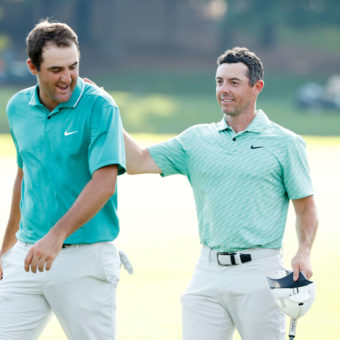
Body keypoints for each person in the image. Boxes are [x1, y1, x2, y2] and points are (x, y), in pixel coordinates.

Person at [123, 47, 318, 340]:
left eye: (234, 83)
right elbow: (136, 162)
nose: (224, 90)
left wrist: (304, 251)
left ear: (257, 87)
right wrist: (107, 110)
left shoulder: (286, 143)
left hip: (260, 272)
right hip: (207, 271)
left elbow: (306, 208)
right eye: (219, 82)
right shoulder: (195, 140)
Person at [0, 20, 129, 340]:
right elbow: (24, 174)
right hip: (26, 257)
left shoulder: (100, 106)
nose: (67, 77)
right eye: (56, 69)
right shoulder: (17, 107)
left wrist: (55, 236)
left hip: (84, 260)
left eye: (73, 66)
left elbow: (105, 181)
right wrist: (6, 250)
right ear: (32, 67)